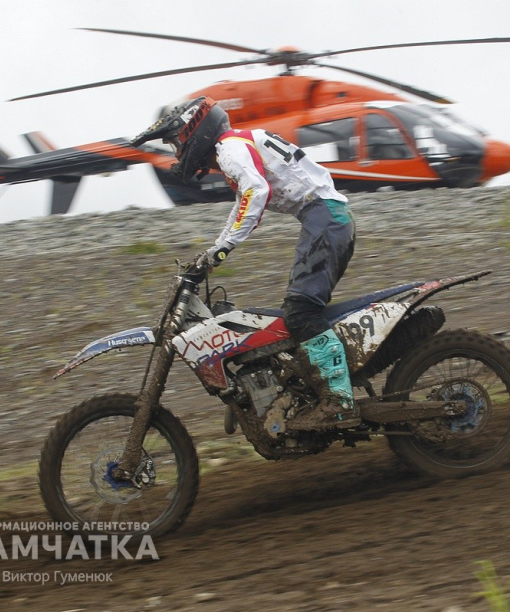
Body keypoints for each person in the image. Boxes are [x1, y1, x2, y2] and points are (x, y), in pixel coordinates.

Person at [132, 96, 359, 430]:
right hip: (324, 218)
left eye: (174, 141)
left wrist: (222, 250)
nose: (176, 151)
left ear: (194, 130)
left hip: (326, 218)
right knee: (290, 312)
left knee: (301, 312)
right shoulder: (235, 145)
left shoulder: (230, 148)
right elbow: (243, 206)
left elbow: (256, 191)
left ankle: (339, 401)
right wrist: (212, 254)